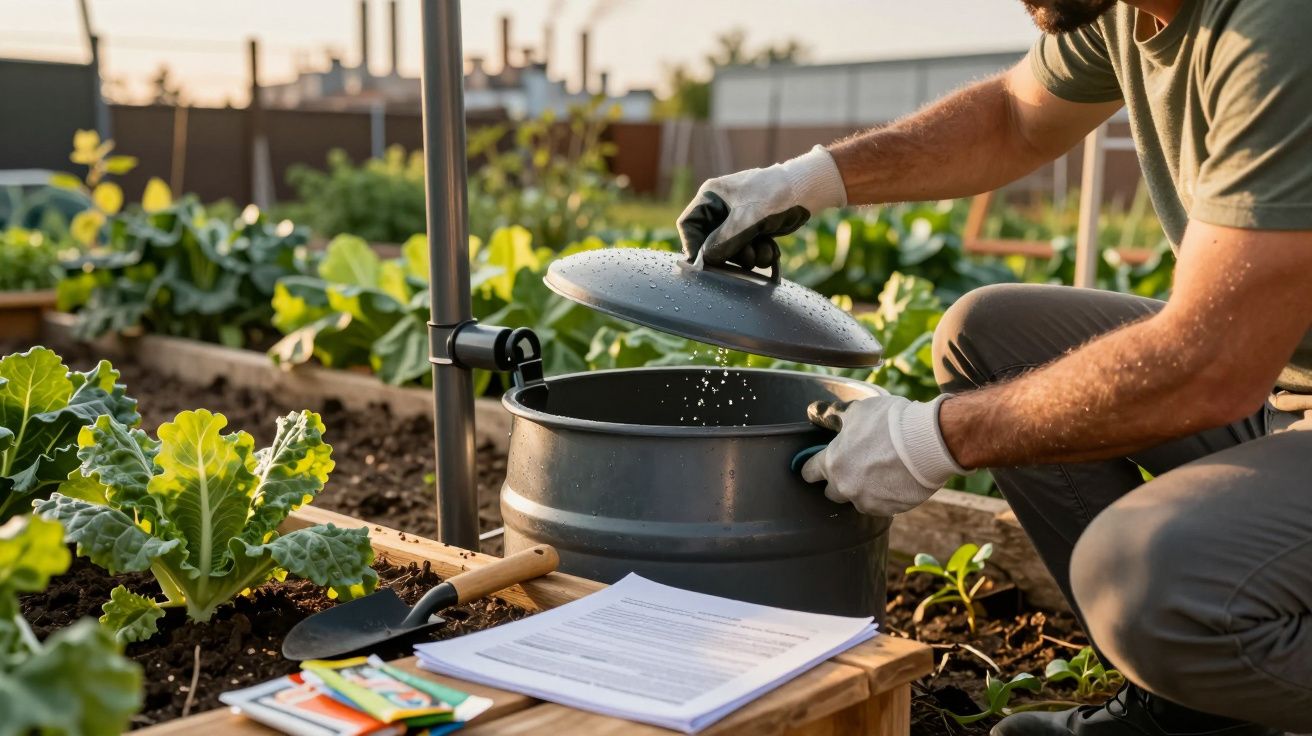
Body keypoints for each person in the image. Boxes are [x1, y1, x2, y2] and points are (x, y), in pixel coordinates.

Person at [675, 0, 1312, 733]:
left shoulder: (1279, 24)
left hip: (1249, 376)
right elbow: (1014, 113)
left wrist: (931, 439)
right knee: (990, 337)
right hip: (1282, 396)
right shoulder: (1124, 12)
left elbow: (1212, 361)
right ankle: (1188, 716)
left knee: (1145, 578)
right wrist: (802, 181)